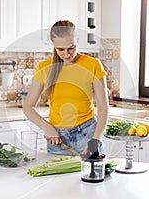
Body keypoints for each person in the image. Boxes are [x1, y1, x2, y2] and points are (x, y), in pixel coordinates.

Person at [23, 20, 109, 156]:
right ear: (53, 46)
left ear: (78, 40)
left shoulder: (93, 65)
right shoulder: (44, 68)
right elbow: (28, 106)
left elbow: (103, 107)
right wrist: (47, 128)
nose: (67, 54)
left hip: (88, 136)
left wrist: (96, 139)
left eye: (71, 48)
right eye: (60, 49)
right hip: (57, 139)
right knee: (57, 178)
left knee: (92, 176)